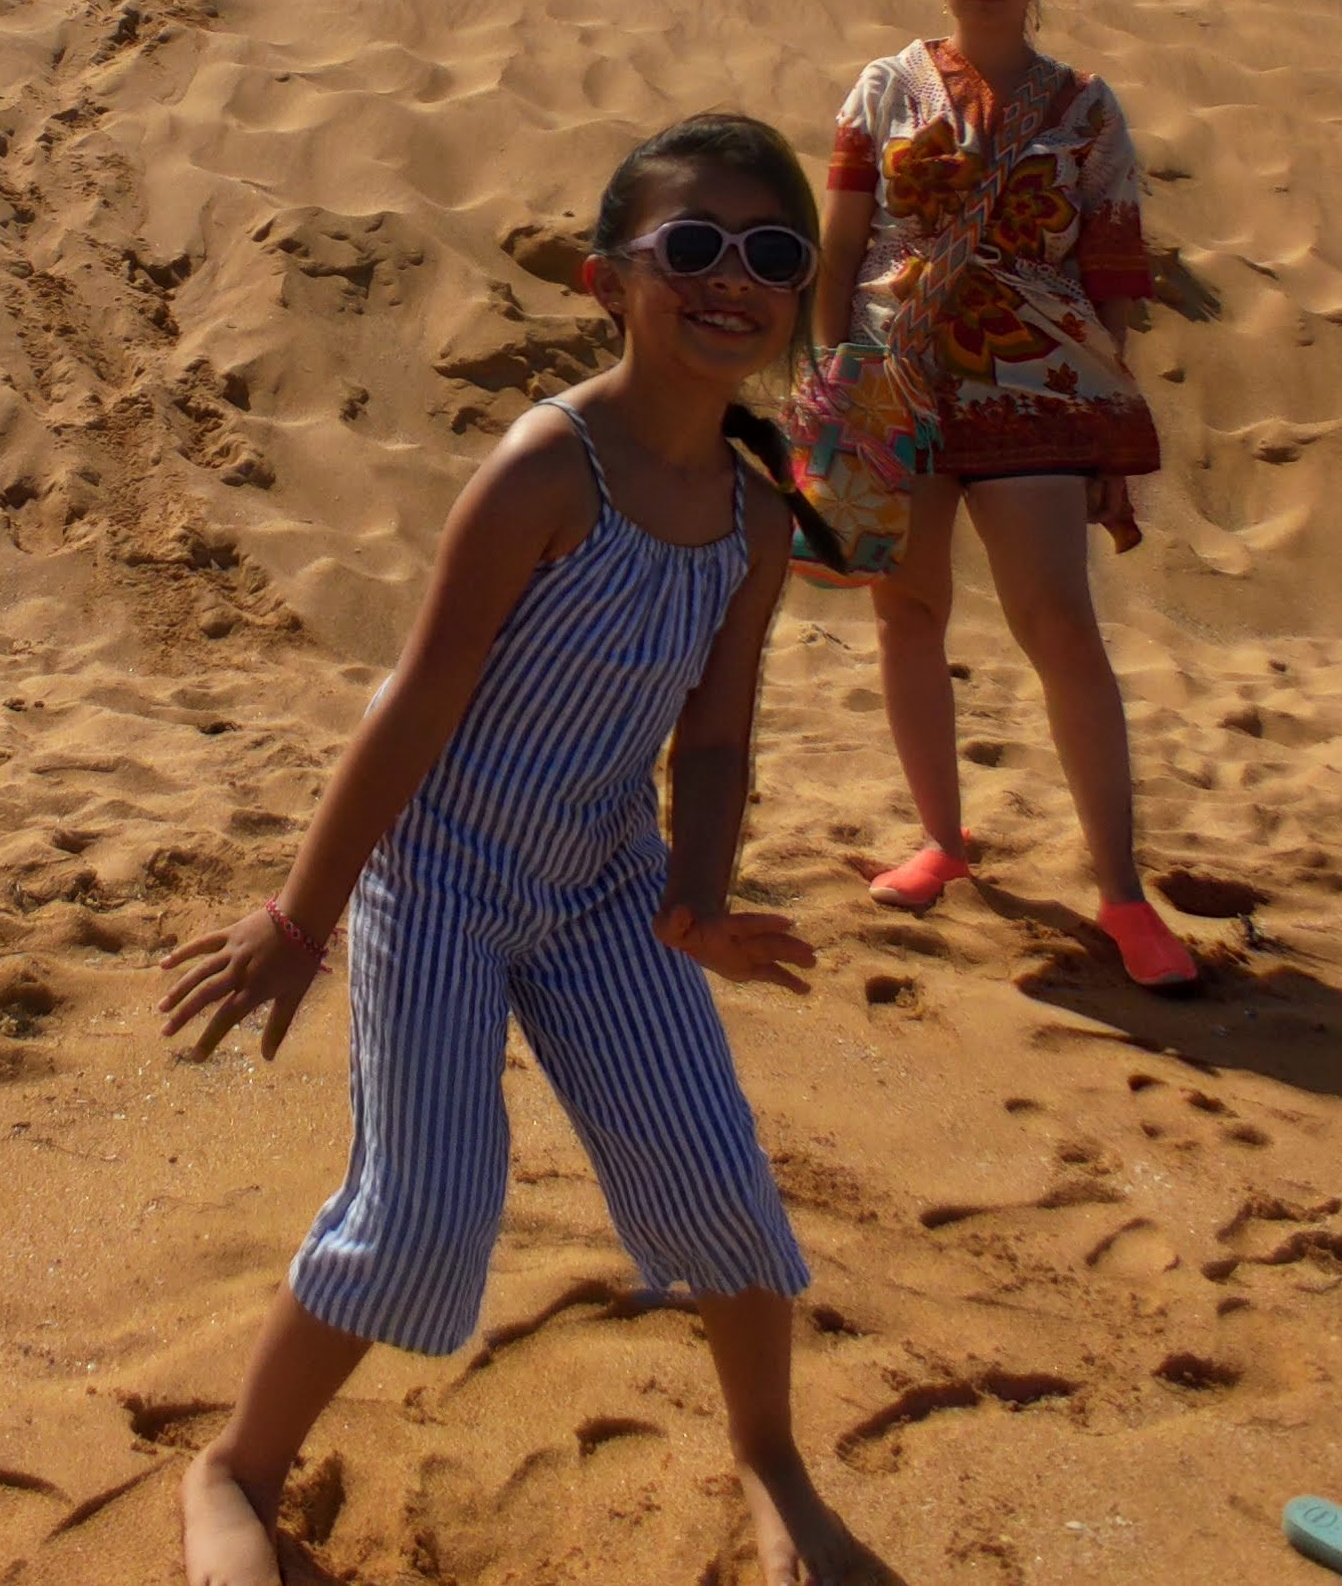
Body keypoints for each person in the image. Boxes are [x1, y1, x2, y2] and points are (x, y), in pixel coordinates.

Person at [167, 115, 892, 1586]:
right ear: (605, 278)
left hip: (607, 882)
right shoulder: (545, 473)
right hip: (435, 870)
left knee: (717, 1186)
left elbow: (719, 741)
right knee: (428, 1203)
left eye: (771, 254)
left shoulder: (756, 519)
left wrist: (697, 896)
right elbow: (416, 706)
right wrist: (300, 922)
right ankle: (235, 1474)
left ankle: (774, 1466)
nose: (731, 278)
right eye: (692, 245)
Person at [812, 0, 1196, 993]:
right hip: (896, 372)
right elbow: (841, 249)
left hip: (1030, 381)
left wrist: (1097, 396)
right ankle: (943, 840)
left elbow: (1113, 265)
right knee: (908, 613)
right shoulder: (884, 87)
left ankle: (1122, 890)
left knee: (1058, 623)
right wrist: (838, 380)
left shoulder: (1086, 109)